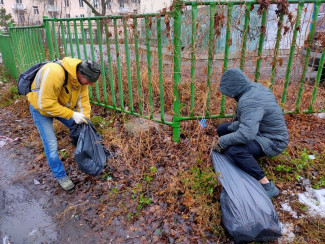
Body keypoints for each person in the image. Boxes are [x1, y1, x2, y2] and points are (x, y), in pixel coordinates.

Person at [27, 57, 101, 191]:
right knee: (51, 145)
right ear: (81, 74)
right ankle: (61, 176)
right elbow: (46, 104)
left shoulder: (81, 82)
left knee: (82, 128)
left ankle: (85, 156)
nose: (90, 84)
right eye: (89, 81)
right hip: (41, 109)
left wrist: (85, 120)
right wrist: (72, 114)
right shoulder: (55, 72)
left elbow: (83, 102)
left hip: (60, 106)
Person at [213, 68, 289, 198]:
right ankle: (247, 158)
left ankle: (266, 185)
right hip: (260, 130)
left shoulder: (249, 101)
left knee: (233, 150)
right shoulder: (254, 89)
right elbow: (250, 122)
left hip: (273, 141)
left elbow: (247, 134)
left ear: (234, 88)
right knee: (222, 129)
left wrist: (223, 142)